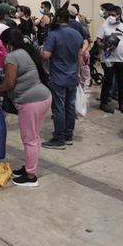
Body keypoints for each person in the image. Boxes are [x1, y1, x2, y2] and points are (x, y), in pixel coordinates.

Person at [0, 28, 52, 187]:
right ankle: (29, 167)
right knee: (33, 138)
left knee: (29, 140)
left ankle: (30, 176)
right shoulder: (25, 52)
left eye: (2, 43)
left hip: (31, 102)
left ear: (8, 43)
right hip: (42, 97)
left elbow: (9, 83)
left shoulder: (12, 57)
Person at [41, 8, 84, 149]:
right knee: (69, 106)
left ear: (58, 19)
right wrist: (78, 74)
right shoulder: (77, 34)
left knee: (58, 107)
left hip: (58, 76)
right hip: (72, 75)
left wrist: (40, 49)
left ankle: (59, 138)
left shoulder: (54, 34)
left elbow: (46, 55)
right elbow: (80, 56)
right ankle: (68, 135)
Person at [97, 6, 123, 114]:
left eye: (113, 15)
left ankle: (122, 103)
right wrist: (105, 46)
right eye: (110, 14)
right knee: (108, 81)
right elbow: (98, 41)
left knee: (122, 83)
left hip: (121, 59)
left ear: (119, 15)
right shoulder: (104, 26)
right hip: (108, 59)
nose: (111, 17)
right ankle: (104, 103)